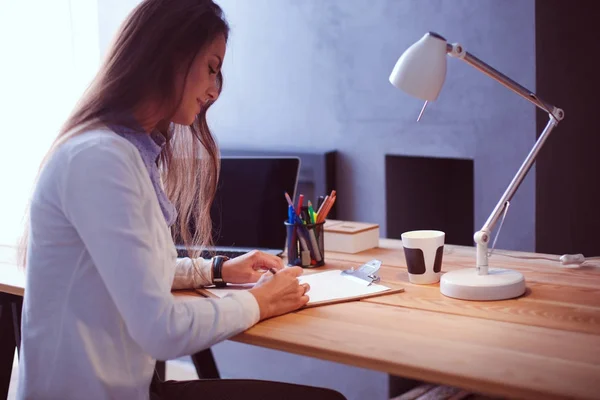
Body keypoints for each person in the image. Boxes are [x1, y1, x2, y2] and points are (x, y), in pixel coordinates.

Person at [16, 0, 346, 399]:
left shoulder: (123, 150)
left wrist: (219, 270)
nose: (214, 90)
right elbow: (161, 329)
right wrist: (260, 302)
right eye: (211, 67)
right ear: (170, 54)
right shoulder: (100, 159)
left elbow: (133, 272)